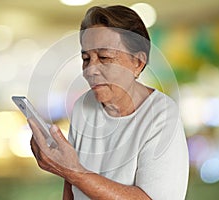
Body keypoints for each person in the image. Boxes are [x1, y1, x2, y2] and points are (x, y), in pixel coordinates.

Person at [28, 5, 189, 200]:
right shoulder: (83, 107)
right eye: (86, 58)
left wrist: (72, 171)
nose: (90, 69)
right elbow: (70, 190)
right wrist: (67, 169)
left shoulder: (161, 115)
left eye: (104, 57)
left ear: (137, 62)